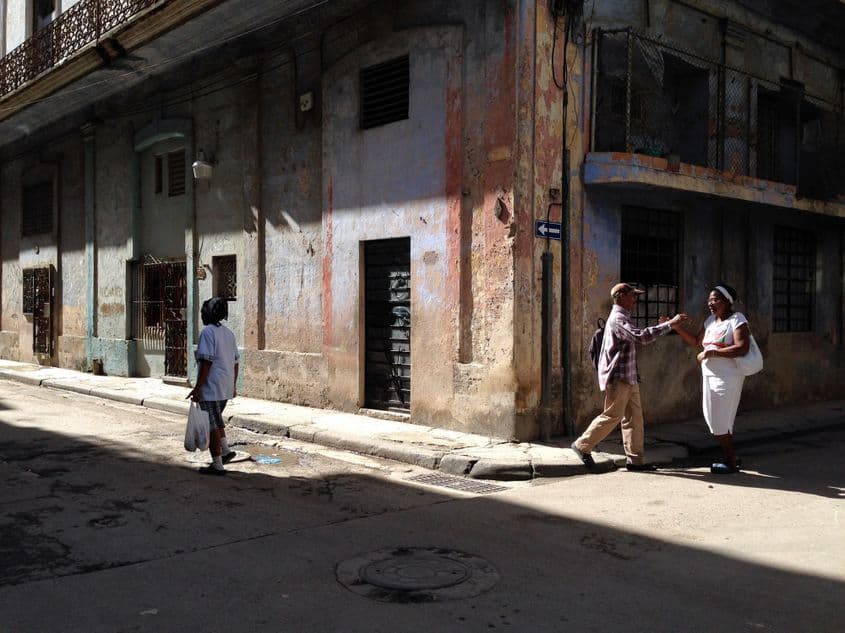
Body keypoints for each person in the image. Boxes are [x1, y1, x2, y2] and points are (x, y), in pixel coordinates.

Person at [571, 283, 687, 471]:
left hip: (629, 376)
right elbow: (640, 337)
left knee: (634, 419)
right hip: (619, 377)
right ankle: (582, 445)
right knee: (612, 415)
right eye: (632, 296)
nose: (635, 300)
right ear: (621, 296)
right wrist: (669, 324)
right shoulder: (618, 319)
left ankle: (635, 461)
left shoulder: (623, 317)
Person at [670, 284, 749, 474]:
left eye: (716, 300)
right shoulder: (710, 321)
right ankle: (732, 457)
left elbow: (742, 348)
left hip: (727, 376)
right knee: (714, 418)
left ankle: (730, 462)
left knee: (720, 419)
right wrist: (676, 327)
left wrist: (714, 352)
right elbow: (697, 342)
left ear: (727, 301)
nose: (711, 303)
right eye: (709, 300)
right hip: (709, 375)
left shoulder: (737, 320)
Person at [186, 297, 239, 476]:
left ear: (207, 313)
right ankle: (224, 450)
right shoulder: (229, 333)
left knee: (212, 424)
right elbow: (236, 362)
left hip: (211, 387)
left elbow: (206, 363)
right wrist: (232, 385)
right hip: (224, 387)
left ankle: (217, 465)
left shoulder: (207, 333)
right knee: (216, 419)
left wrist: (198, 388)